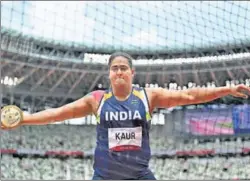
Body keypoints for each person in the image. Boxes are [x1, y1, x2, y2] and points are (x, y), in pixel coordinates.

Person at [1, 52, 250, 180]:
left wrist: (225, 89)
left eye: (123, 68)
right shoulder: (96, 100)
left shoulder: (148, 96)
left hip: (139, 175)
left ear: (132, 72)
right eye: (114, 69)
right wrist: (25, 118)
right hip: (105, 176)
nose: (118, 72)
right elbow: (57, 114)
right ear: (109, 74)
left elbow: (189, 96)